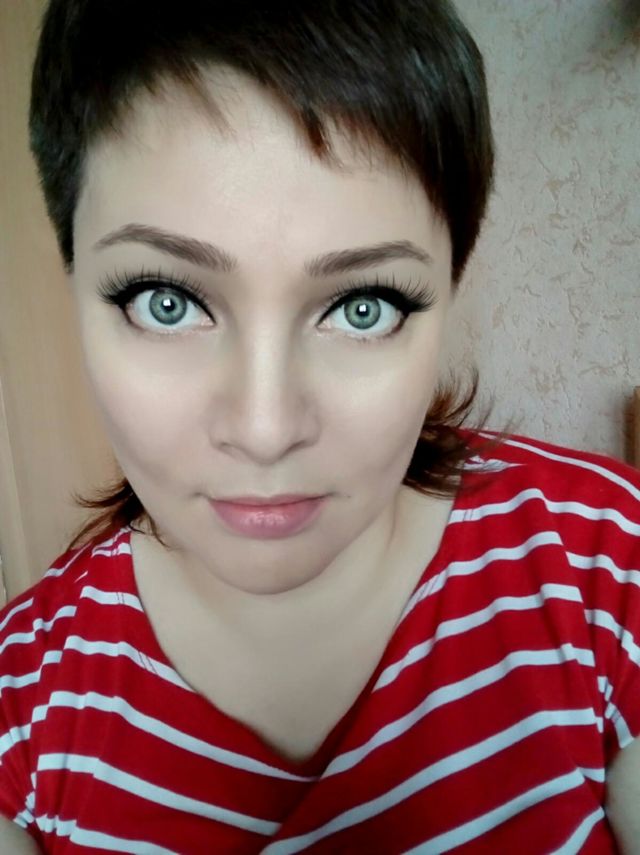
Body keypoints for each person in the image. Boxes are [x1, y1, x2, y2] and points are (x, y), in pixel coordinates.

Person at [1, 0, 639, 851]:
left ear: (450, 290)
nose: (265, 430)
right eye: (167, 301)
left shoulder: (609, 564)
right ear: (74, 279)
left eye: (363, 306)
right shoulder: (21, 698)